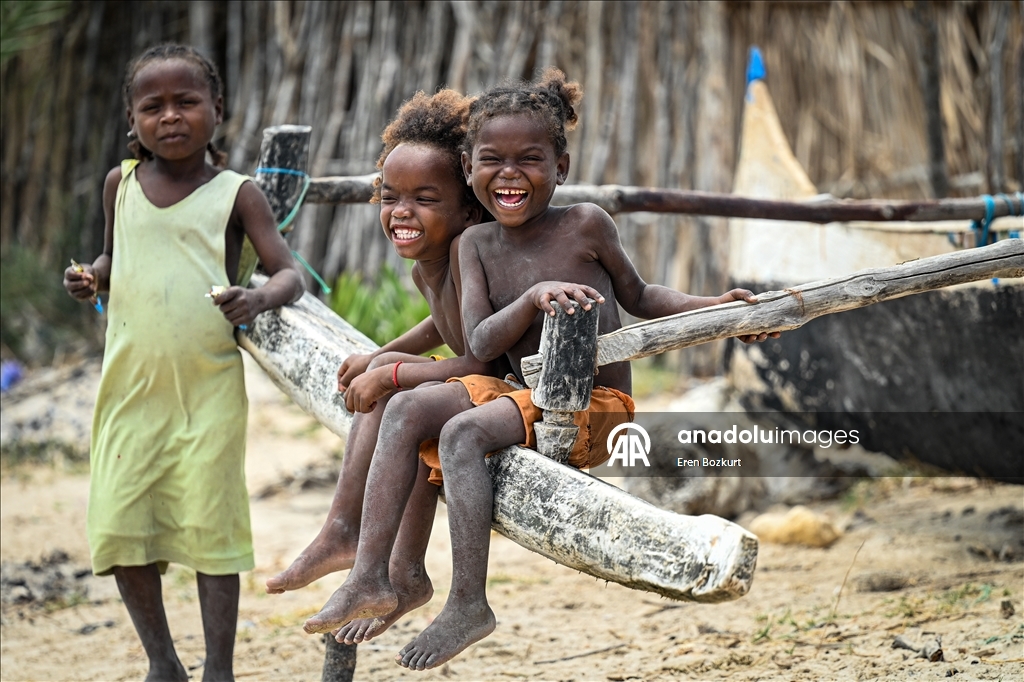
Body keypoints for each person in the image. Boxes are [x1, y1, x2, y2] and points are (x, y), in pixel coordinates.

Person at [300, 68, 778, 669]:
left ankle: (468, 602)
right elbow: (477, 340)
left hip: (592, 409)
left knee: (460, 432)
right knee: (406, 407)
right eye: (491, 160)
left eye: (530, 158)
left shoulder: (586, 225)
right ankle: (374, 573)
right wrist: (528, 300)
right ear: (470, 170)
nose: (509, 173)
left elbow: (644, 296)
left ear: (562, 167)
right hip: (519, 395)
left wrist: (718, 309)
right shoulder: (473, 247)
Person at [63, 44, 304, 682]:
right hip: (130, 391)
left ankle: (218, 668)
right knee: (122, 519)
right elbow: (116, 260)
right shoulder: (121, 185)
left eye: (186, 102)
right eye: (153, 106)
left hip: (207, 393)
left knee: (211, 529)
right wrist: (93, 277)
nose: (170, 116)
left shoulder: (236, 193)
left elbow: (289, 274)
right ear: (132, 119)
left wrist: (256, 297)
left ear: (216, 111)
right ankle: (162, 663)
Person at [266, 89, 504, 644]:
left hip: (504, 386)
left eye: (424, 198)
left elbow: (477, 354)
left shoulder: (472, 250)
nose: (401, 211)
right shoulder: (432, 262)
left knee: (395, 392)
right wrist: (380, 356)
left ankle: (371, 557)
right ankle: (349, 537)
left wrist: (391, 371)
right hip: (476, 376)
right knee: (385, 383)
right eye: (389, 195)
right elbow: (440, 328)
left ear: (468, 207)